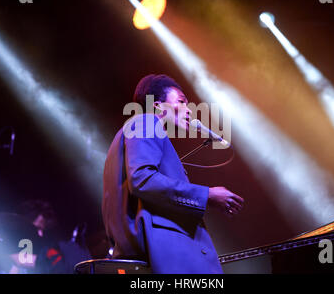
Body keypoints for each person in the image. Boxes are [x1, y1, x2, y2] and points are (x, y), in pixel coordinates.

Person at [102, 74, 244, 274]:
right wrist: (207, 195)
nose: (189, 110)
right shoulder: (145, 122)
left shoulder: (133, 131)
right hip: (170, 252)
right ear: (158, 106)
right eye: (181, 102)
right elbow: (142, 179)